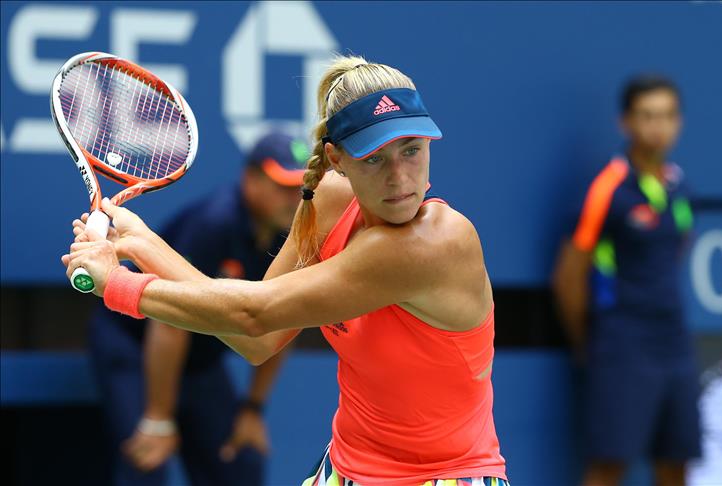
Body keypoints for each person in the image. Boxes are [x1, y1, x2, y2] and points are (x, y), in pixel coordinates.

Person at [64, 55, 509, 486]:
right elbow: (258, 340)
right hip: (347, 469)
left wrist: (116, 282)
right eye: (374, 158)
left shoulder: (435, 242)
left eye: (411, 150)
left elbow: (253, 314)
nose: (399, 177)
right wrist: (139, 242)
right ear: (337, 160)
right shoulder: (330, 203)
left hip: (447, 477)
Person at [86, 131, 308, 485]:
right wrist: (159, 419)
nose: (293, 199)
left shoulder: (293, 234)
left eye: (300, 188)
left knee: (241, 460)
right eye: (282, 186)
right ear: (250, 179)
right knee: (147, 462)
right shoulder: (214, 223)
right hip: (135, 344)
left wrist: (253, 408)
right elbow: (170, 322)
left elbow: (283, 321)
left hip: (199, 359)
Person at [552, 75, 702, 486]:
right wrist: (591, 345)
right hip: (622, 342)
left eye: (668, 116)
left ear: (679, 122)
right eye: (648, 115)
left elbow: (678, 248)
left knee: (676, 464)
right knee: (609, 465)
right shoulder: (607, 189)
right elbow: (569, 276)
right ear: (626, 123)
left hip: (673, 341)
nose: (659, 126)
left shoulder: (679, 185)